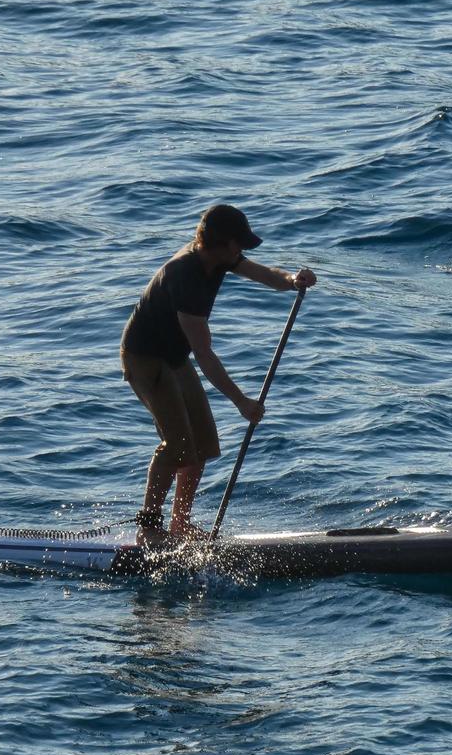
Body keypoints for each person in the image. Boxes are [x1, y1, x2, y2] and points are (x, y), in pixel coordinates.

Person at [120, 204, 316, 542]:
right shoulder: (186, 276)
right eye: (238, 244)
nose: (241, 250)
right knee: (178, 444)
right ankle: (149, 527)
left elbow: (265, 274)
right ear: (223, 243)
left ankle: (180, 525)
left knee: (203, 444)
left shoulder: (220, 258)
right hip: (145, 359)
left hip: (175, 358)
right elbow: (205, 354)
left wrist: (292, 280)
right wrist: (241, 402)